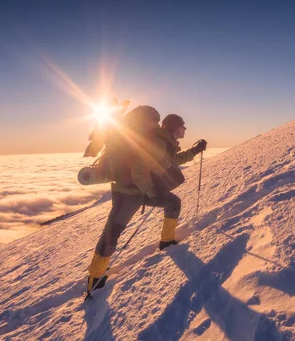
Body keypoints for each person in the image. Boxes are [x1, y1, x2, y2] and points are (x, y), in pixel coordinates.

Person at [86, 110, 207, 293]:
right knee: (113, 232)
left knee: (173, 203)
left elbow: (174, 160)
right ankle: (95, 278)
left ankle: (166, 241)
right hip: (128, 193)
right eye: (183, 126)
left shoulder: (165, 143)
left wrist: (195, 151)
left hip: (139, 190)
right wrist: (152, 193)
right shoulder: (158, 143)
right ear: (175, 128)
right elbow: (139, 170)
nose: (185, 128)